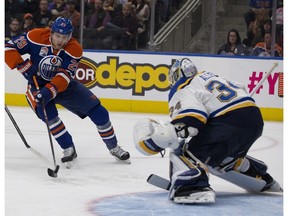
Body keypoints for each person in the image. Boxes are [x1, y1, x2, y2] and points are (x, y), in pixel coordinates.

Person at [133, 58, 282, 204]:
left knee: (187, 152)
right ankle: (259, 176)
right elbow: (240, 88)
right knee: (222, 156)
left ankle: (192, 187)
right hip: (254, 119)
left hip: (229, 122)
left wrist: (172, 132)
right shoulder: (212, 77)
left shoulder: (183, 88)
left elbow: (192, 118)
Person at [5, 17, 131, 168]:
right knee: (50, 117)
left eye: (65, 37)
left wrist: (49, 90)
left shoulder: (74, 48)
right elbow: (8, 47)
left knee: (100, 112)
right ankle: (68, 148)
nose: (60, 40)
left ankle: (114, 147)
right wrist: (22, 65)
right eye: (58, 36)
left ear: (70, 36)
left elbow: (64, 76)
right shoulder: (36, 36)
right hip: (37, 85)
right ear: (51, 32)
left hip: (63, 86)